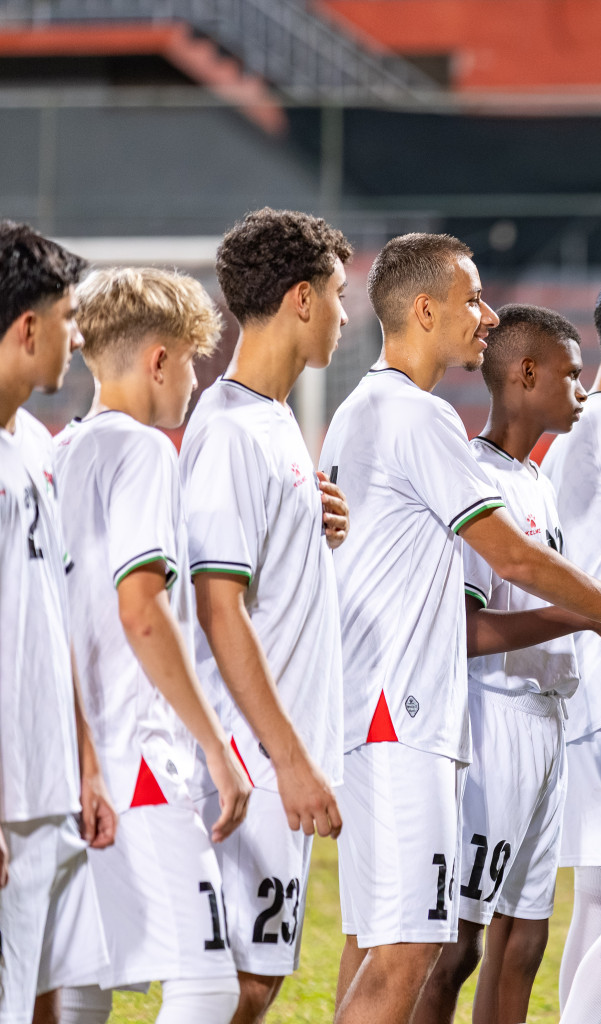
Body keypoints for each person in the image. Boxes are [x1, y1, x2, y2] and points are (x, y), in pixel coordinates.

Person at [322, 235, 601, 1024]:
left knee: (426, 940)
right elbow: (509, 565)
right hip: (425, 715)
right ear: (425, 309)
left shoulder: (381, 415)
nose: (486, 315)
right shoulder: (418, 420)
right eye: (473, 299)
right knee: (418, 949)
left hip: (436, 715)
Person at [53, 266, 254, 1024]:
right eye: (194, 360)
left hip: (79, 761)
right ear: (159, 359)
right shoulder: (141, 452)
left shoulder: (58, 453)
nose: (197, 382)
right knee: (207, 984)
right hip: (139, 759)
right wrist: (213, 748)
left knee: (81, 988)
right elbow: (143, 612)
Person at [178, 208, 354, 1023]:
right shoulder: (231, 435)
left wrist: (315, 532)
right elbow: (220, 612)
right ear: (300, 299)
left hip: (269, 746)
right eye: (338, 294)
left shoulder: (274, 420)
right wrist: (289, 761)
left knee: (256, 980)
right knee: (235, 985)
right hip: (248, 758)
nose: (348, 317)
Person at [410, 304, 600, 1024]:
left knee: (524, 937)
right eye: (571, 376)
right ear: (526, 373)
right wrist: (590, 617)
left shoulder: (537, 480)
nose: (580, 392)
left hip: (550, 720)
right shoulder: (470, 478)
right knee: (456, 942)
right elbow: (461, 630)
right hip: (492, 721)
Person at [0, 223, 115, 1024]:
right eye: (70, 317)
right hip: (7, 797)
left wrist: (88, 764)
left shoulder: (36, 444)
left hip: (51, 787)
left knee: (64, 1005)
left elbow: (55, 612)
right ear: (29, 326)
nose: (79, 338)